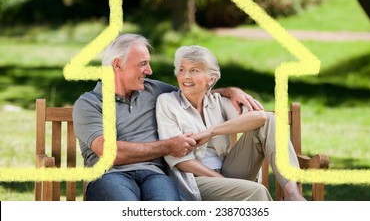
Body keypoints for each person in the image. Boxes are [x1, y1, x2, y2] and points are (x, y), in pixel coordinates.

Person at [72, 34, 262, 201]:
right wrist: (168, 146)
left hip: (154, 175)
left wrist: (231, 91)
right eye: (143, 64)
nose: (149, 71)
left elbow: (194, 90)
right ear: (118, 65)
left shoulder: (152, 90)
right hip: (110, 176)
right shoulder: (90, 103)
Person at [156, 45, 306, 201]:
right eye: (181, 70)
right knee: (257, 191)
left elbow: (261, 118)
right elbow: (181, 161)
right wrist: (223, 180)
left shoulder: (218, 102)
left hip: (228, 171)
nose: (186, 76)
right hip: (193, 180)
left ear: (211, 79)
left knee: (270, 121)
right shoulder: (167, 103)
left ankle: (291, 193)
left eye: (194, 70)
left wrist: (212, 131)